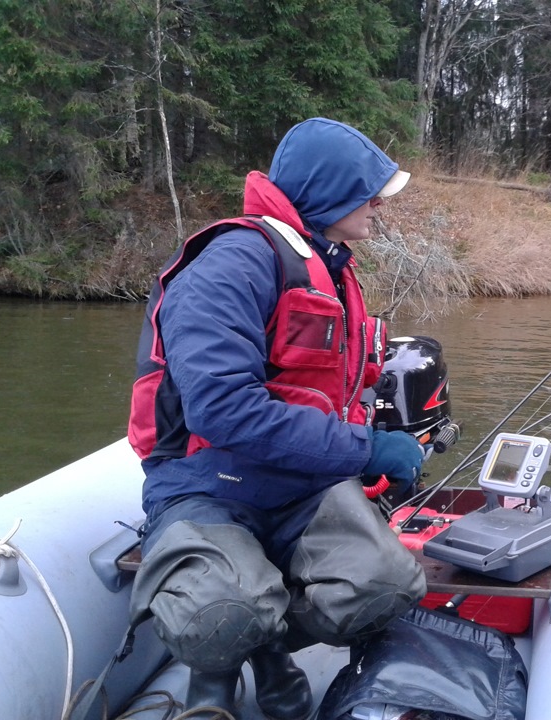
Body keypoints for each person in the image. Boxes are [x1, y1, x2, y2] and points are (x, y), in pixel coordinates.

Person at [126, 118, 428, 720]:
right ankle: (219, 674)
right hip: (205, 482)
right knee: (219, 615)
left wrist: (370, 441)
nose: (376, 205)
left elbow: (337, 392)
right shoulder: (229, 265)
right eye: (365, 191)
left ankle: (266, 650)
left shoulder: (333, 269)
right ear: (325, 192)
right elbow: (224, 410)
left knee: (388, 588)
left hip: (300, 486)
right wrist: (364, 450)